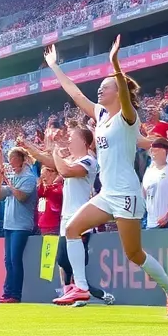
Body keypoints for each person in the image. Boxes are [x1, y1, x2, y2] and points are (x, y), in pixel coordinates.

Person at [46, 37, 168, 318]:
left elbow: (123, 91)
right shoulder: (101, 116)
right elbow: (75, 94)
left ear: (117, 92)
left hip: (127, 195)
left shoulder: (127, 116)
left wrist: (116, 64)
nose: (99, 89)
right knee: (72, 229)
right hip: (107, 194)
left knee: (134, 254)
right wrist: (54, 67)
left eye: (104, 86)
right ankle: (80, 287)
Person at [50, 125, 113, 305]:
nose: (70, 141)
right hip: (66, 220)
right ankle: (77, 293)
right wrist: (29, 146)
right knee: (63, 261)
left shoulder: (88, 161)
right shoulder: (73, 160)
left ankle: (94, 293)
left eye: (73, 138)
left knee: (72, 263)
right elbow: (51, 162)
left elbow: (64, 171)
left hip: (81, 218)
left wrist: (55, 152)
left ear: (83, 142)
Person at [0, 146, 37, 303]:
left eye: (13, 159)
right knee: (8, 260)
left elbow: (21, 196)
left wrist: (7, 180)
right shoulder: (12, 176)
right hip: (9, 224)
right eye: (9, 159)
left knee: (15, 259)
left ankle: (15, 294)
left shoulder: (29, 178)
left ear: (22, 160)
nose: (10, 163)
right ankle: (7, 292)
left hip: (22, 225)